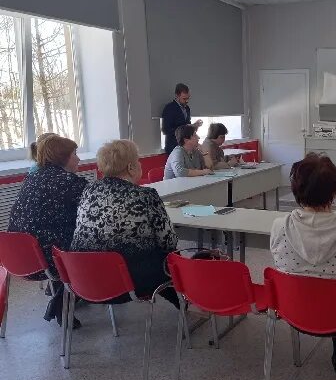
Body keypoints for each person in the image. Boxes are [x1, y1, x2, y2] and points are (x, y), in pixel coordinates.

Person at [270, 153, 336, 374]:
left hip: (294, 309)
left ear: (295, 189)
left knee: (317, 280)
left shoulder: (279, 226)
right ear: (334, 192)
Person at [71, 140, 179, 307]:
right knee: (170, 258)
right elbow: (168, 243)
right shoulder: (146, 195)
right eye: (138, 160)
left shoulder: (89, 190)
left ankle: (180, 301)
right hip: (128, 281)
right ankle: (184, 302)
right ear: (130, 167)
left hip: (85, 277)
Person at [8, 135, 88, 326]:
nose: (79, 159)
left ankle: (61, 296)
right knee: (96, 242)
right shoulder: (70, 183)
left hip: (20, 258)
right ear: (64, 158)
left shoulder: (32, 178)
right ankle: (64, 300)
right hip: (51, 259)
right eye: (75, 154)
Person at [162, 83, 202, 155]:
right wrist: (185, 128)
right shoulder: (169, 108)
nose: (187, 101)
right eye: (184, 98)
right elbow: (166, 130)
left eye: (188, 98)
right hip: (173, 147)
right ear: (177, 96)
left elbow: (186, 126)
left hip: (186, 146)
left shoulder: (187, 108)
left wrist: (194, 126)